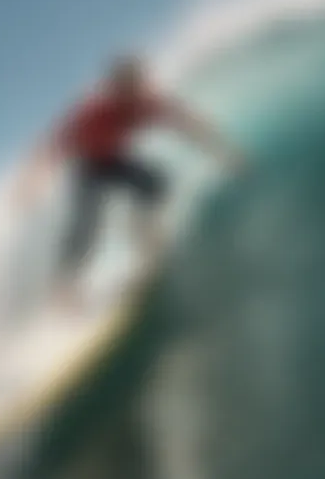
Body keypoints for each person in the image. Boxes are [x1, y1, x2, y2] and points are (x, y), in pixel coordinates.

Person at [17, 54, 244, 309]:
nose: (130, 96)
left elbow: (188, 125)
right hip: (90, 167)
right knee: (87, 226)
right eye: (124, 89)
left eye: (134, 86)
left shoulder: (148, 104)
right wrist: (32, 182)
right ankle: (63, 287)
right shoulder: (95, 112)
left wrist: (225, 153)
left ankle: (145, 242)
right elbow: (55, 144)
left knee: (156, 183)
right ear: (115, 89)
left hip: (114, 160)